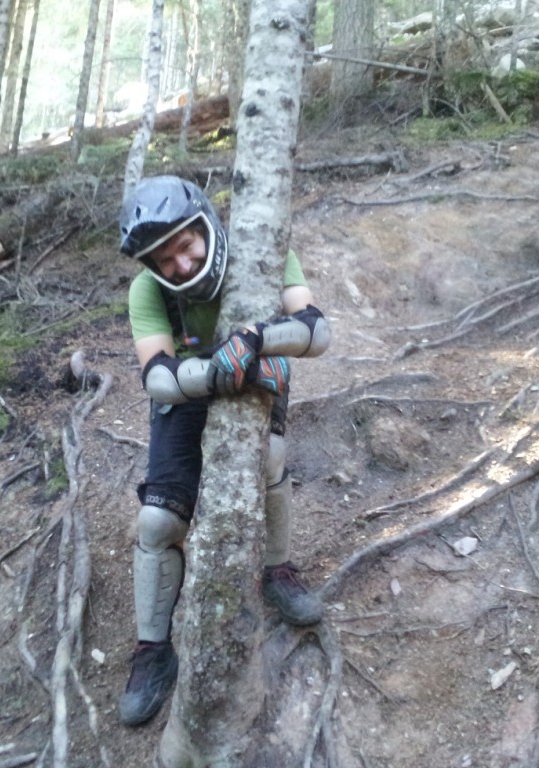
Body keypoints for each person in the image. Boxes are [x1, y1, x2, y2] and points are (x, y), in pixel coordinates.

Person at [116, 175, 331, 726]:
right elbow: (158, 377)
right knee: (158, 521)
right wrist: (221, 371)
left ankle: (276, 570)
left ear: (204, 226)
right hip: (193, 387)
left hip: (257, 367)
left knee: (270, 460)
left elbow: (315, 329)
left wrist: (255, 339)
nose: (182, 265)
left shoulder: (262, 249)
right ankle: (152, 652)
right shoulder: (147, 291)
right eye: (166, 260)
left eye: (185, 246)